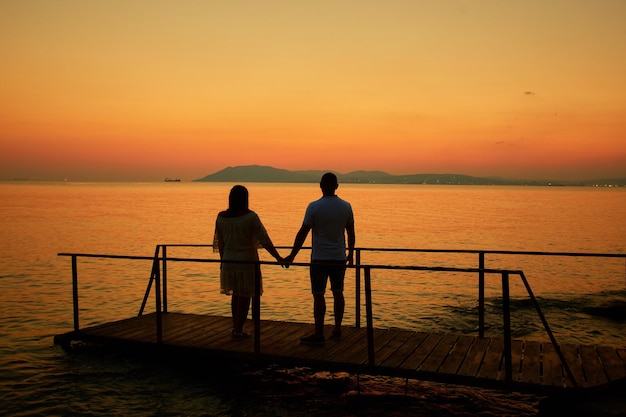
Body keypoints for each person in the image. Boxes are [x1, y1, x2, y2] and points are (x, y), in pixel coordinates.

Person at [285, 172, 355, 345]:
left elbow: (302, 233)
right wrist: (351, 254)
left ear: (320, 185)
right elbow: (351, 232)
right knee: (338, 292)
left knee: (318, 295)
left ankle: (319, 332)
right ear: (337, 186)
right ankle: (337, 328)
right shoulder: (346, 206)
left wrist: (292, 255)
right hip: (339, 258)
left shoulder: (314, 207)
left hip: (319, 259)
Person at [213, 185, 284, 339]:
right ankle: (239, 330)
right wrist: (278, 257)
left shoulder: (221, 217)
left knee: (236, 295)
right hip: (247, 262)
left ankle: (236, 327)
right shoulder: (250, 217)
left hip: (229, 261)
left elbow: (221, 243)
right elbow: (264, 240)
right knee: (245, 296)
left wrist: (222, 261)